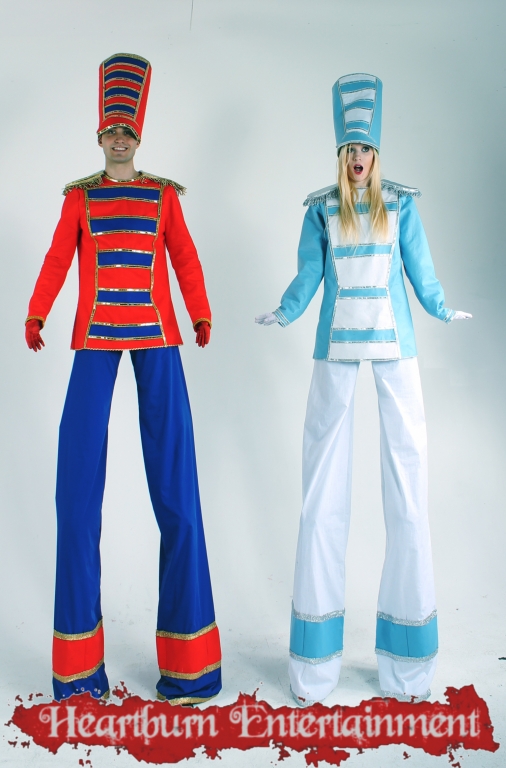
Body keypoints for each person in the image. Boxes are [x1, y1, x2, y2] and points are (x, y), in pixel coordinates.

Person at [256, 73, 471, 705]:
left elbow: (420, 270)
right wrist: (286, 311)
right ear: (340, 152)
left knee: (408, 485)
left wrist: (441, 308)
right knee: (321, 492)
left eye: (366, 149)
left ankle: (408, 666)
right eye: (349, 148)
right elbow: (310, 274)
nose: (357, 157)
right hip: (334, 350)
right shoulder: (321, 208)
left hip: (396, 348)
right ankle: (314, 667)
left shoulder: (400, 205)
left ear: (377, 153)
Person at [25, 53, 222, 706]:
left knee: (177, 492)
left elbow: (185, 257)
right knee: (76, 495)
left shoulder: (164, 196)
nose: (118, 139)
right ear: (99, 134)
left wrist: (198, 311)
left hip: (159, 340)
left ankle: (190, 668)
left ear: (139, 136)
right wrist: (36, 311)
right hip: (93, 340)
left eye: (127, 131)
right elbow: (57, 258)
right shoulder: (79, 198)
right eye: (111, 130)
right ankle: (79, 673)